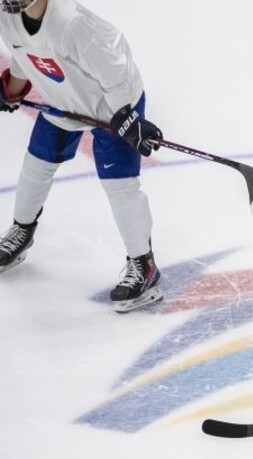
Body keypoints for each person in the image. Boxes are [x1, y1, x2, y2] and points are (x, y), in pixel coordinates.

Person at [0, 0, 164, 312]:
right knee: (36, 164)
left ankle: (144, 267)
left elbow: (119, 75)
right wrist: (10, 90)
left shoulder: (74, 25)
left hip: (111, 108)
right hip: (62, 102)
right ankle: (22, 230)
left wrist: (128, 119)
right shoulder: (7, 18)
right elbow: (22, 57)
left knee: (120, 185)